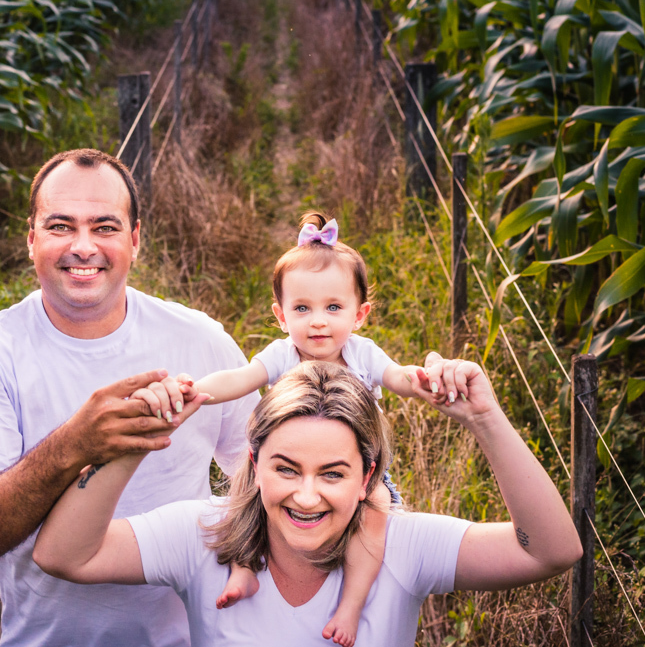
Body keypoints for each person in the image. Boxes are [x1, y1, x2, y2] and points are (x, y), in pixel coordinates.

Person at [0, 148, 259, 647]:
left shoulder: (201, 339)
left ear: (134, 240)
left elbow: (262, 472)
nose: (83, 247)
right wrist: (75, 444)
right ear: (31, 239)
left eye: (104, 227)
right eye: (61, 226)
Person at [33, 357, 584, 647]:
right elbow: (65, 555)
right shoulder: (202, 536)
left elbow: (549, 552)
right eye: (285, 468)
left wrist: (485, 419)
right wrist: (134, 441)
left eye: (333, 473)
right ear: (253, 460)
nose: (305, 496)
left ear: (369, 474)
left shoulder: (402, 546)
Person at [130, 210, 437, 646]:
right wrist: (193, 390)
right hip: (286, 466)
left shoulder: (362, 354)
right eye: (302, 308)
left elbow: (398, 378)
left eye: (334, 308)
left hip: (357, 473)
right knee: (243, 495)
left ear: (360, 313)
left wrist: (425, 381)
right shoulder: (281, 354)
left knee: (377, 513)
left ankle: (350, 605)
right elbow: (239, 379)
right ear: (280, 314)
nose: (317, 321)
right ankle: (244, 568)